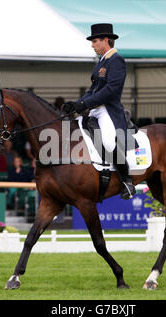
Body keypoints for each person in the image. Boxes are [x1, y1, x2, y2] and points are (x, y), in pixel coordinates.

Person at [62, 23, 135, 199]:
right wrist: (77, 103)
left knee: (109, 143)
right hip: (95, 109)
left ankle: (127, 180)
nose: (92, 45)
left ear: (105, 40)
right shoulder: (101, 62)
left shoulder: (116, 60)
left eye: (95, 41)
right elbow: (93, 90)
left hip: (108, 110)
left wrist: (85, 104)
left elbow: (110, 90)